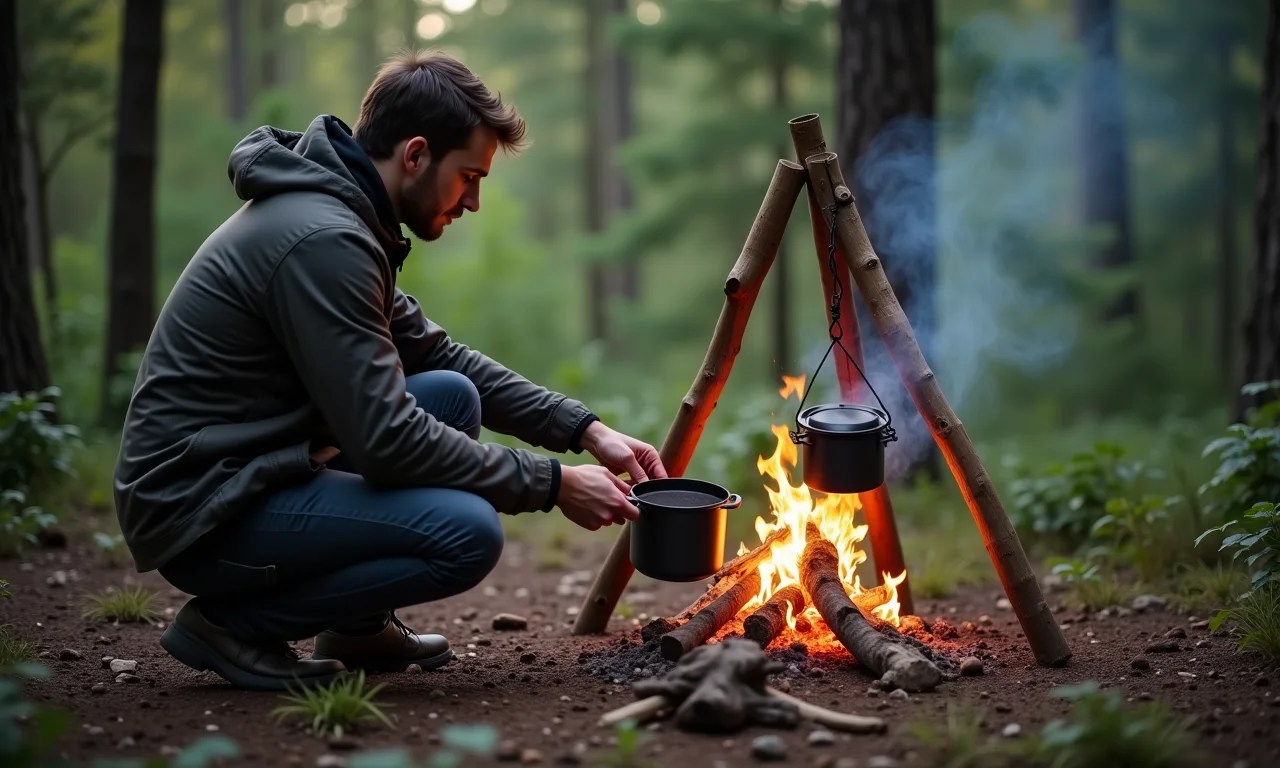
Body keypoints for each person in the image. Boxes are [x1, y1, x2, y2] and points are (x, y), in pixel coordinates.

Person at [112, 50, 666, 692]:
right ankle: (231, 625)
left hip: (248, 473)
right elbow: (386, 441)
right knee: (467, 533)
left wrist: (586, 430)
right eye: (469, 177)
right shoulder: (325, 240)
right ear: (416, 155)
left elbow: (441, 357)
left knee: (452, 395)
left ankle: (356, 627)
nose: (474, 201)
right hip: (201, 508)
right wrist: (552, 483)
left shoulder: (344, 221)